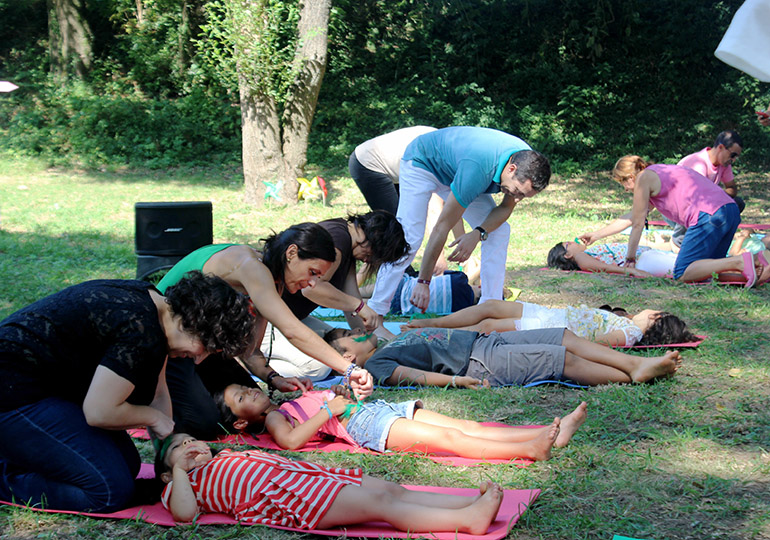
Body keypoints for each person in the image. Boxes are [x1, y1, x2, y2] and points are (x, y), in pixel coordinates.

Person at [0, 272, 255, 512]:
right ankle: (7, 477)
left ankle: (23, 454)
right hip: (13, 394)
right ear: (196, 323)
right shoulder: (141, 332)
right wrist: (153, 419)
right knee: (110, 490)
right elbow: (99, 412)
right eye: (206, 347)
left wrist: (167, 450)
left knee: (129, 466)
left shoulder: (157, 306)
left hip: (42, 388)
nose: (199, 359)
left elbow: (158, 392)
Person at [156, 223, 373, 440]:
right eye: (312, 272)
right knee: (203, 424)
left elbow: (250, 352)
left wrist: (274, 379)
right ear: (292, 253)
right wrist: (348, 369)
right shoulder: (253, 268)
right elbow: (292, 330)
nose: (312, 283)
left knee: (254, 408)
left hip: (201, 347)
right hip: (169, 342)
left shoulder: (272, 280)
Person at [366, 126, 552, 326]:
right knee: (409, 237)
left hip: (457, 169)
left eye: (523, 196)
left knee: (499, 230)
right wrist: (423, 282)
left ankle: (490, 307)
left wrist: (478, 233)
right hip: (422, 163)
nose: (516, 198)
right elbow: (442, 226)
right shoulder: (478, 168)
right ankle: (376, 313)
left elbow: (505, 209)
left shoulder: (527, 163)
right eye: (516, 191)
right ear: (511, 169)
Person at [157, 433, 505, 534]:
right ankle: (467, 521)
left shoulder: (221, 458)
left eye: (192, 441)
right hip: (287, 497)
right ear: (166, 473)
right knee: (381, 507)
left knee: (391, 491)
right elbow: (185, 515)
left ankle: (464, 505)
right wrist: (182, 473)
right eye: (179, 448)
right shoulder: (180, 485)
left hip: (307, 478)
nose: (190, 446)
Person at [216, 384, 586, 461]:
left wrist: (333, 395)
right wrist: (329, 411)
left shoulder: (287, 401)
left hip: (378, 408)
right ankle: (529, 448)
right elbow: (292, 442)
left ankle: (546, 434)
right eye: (243, 399)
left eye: (247, 388)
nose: (252, 392)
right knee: (451, 438)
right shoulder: (278, 418)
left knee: (467, 425)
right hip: (368, 426)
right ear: (240, 425)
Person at [578, 156, 770, 287]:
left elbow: (638, 224)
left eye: (624, 184)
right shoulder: (660, 171)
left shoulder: (643, 179)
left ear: (629, 177)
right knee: (708, 271)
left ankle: (739, 261)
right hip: (729, 210)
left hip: (708, 215)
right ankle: (757, 266)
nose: (627, 190)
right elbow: (632, 217)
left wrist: (630, 258)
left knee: (682, 272)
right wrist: (596, 235)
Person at [266, 211, 409, 380]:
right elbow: (313, 289)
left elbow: (351, 299)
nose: (368, 262)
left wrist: (378, 334)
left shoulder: (347, 243)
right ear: (375, 237)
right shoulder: (338, 239)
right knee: (317, 367)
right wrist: (360, 306)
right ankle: (253, 364)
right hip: (268, 317)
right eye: (375, 255)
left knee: (334, 339)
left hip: (289, 315)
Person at [325, 327, 683, 389]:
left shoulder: (387, 341)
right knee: (558, 359)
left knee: (563, 336)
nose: (357, 334)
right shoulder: (374, 365)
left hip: (486, 341)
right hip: (478, 363)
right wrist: (456, 380)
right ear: (345, 355)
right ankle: (633, 374)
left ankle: (634, 364)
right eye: (350, 337)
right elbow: (412, 377)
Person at [349, 126, 469, 278]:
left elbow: (454, 207)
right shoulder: (438, 159)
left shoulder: (454, 156)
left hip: (400, 168)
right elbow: (435, 211)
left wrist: (464, 250)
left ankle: (400, 277)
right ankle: (402, 280)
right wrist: (437, 258)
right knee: (396, 228)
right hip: (368, 164)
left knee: (403, 226)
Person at [404, 299, 697, 348]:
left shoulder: (631, 331)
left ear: (656, 318)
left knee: (487, 326)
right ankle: (430, 323)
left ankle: (431, 333)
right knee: (490, 307)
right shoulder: (628, 322)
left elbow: (596, 343)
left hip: (548, 324)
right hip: (550, 314)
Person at [667, 131, 745, 249]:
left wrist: (718, 196)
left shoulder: (724, 164)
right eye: (733, 155)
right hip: (676, 208)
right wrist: (718, 196)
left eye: (736, 157)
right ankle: (679, 242)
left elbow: (732, 188)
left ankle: (710, 236)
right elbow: (694, 199)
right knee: (698, 208)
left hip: (702, 205)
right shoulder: (698, 164)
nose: (734, 160)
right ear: (720, 147)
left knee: (736, 204)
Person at [547, 241, 675, 278]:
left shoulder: (586, 254)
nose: (574, 241)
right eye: (569, 244)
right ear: (567, 255)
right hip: (645, 261)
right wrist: (632, 271)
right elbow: (604, 267)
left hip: (649, 257)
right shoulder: (580, 257)